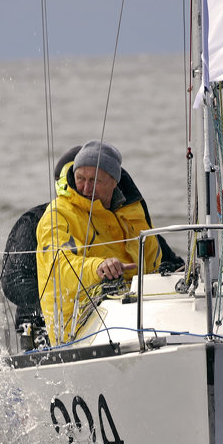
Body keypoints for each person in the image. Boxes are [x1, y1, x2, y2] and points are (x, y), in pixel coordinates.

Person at [35, 140, 163, 345]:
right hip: (77, 327)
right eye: (80, 178)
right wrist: (99, 267)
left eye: (95, 181)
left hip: (134, 311)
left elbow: (151, 261)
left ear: (114, 182)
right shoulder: (58, 214)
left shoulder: (131, 210)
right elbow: (59, 265)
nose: (86, 187)